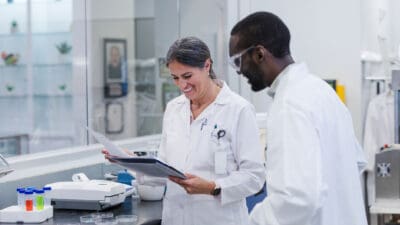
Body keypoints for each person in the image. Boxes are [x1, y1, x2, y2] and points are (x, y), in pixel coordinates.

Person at [104, 36, 265, 225]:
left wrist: (212, 187)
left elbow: (254, 177)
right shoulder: (174, 108)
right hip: (175, 218)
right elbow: (165, 171)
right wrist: (133, 162)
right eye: (175, 78)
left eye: (187, 76)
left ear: (207, 66)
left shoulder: (238, 110)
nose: (181, 85)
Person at [228, 12, 368, 225]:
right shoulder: (321, 91)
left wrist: (252, 220)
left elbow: (297, 198)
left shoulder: (289, 104)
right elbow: (356, 161)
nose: (239, 72)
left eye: (238, 61)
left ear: (259, 54)